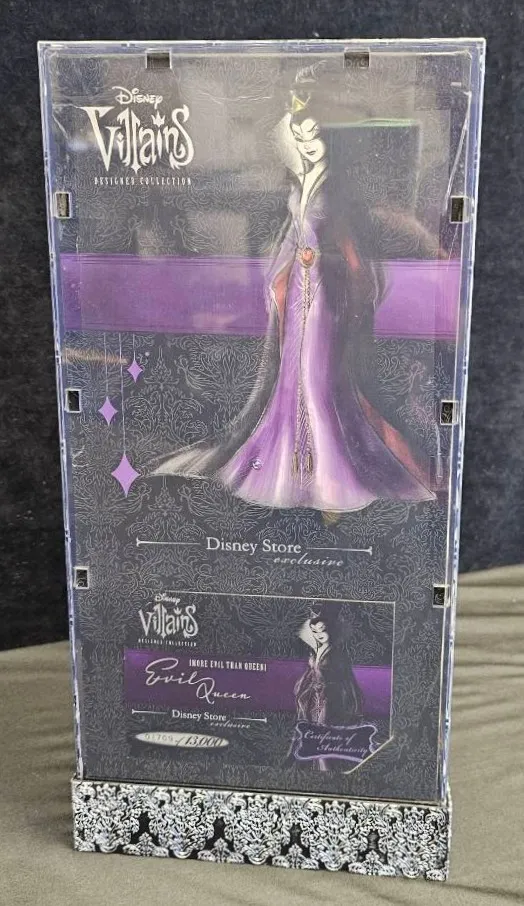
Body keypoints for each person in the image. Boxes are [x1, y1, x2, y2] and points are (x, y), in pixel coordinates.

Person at [152, 79, 434, 512]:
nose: (307, 143)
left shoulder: (335, 187)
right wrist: (277, 277)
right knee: (293, 373)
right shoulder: (299, 184)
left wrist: (337, 266)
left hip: (326, 292)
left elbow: (344, 237)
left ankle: (326, 467)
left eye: (314, 134)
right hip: (301, 289)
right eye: (300, 135)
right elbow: (291, 236)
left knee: (318, 374)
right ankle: (292, 463)